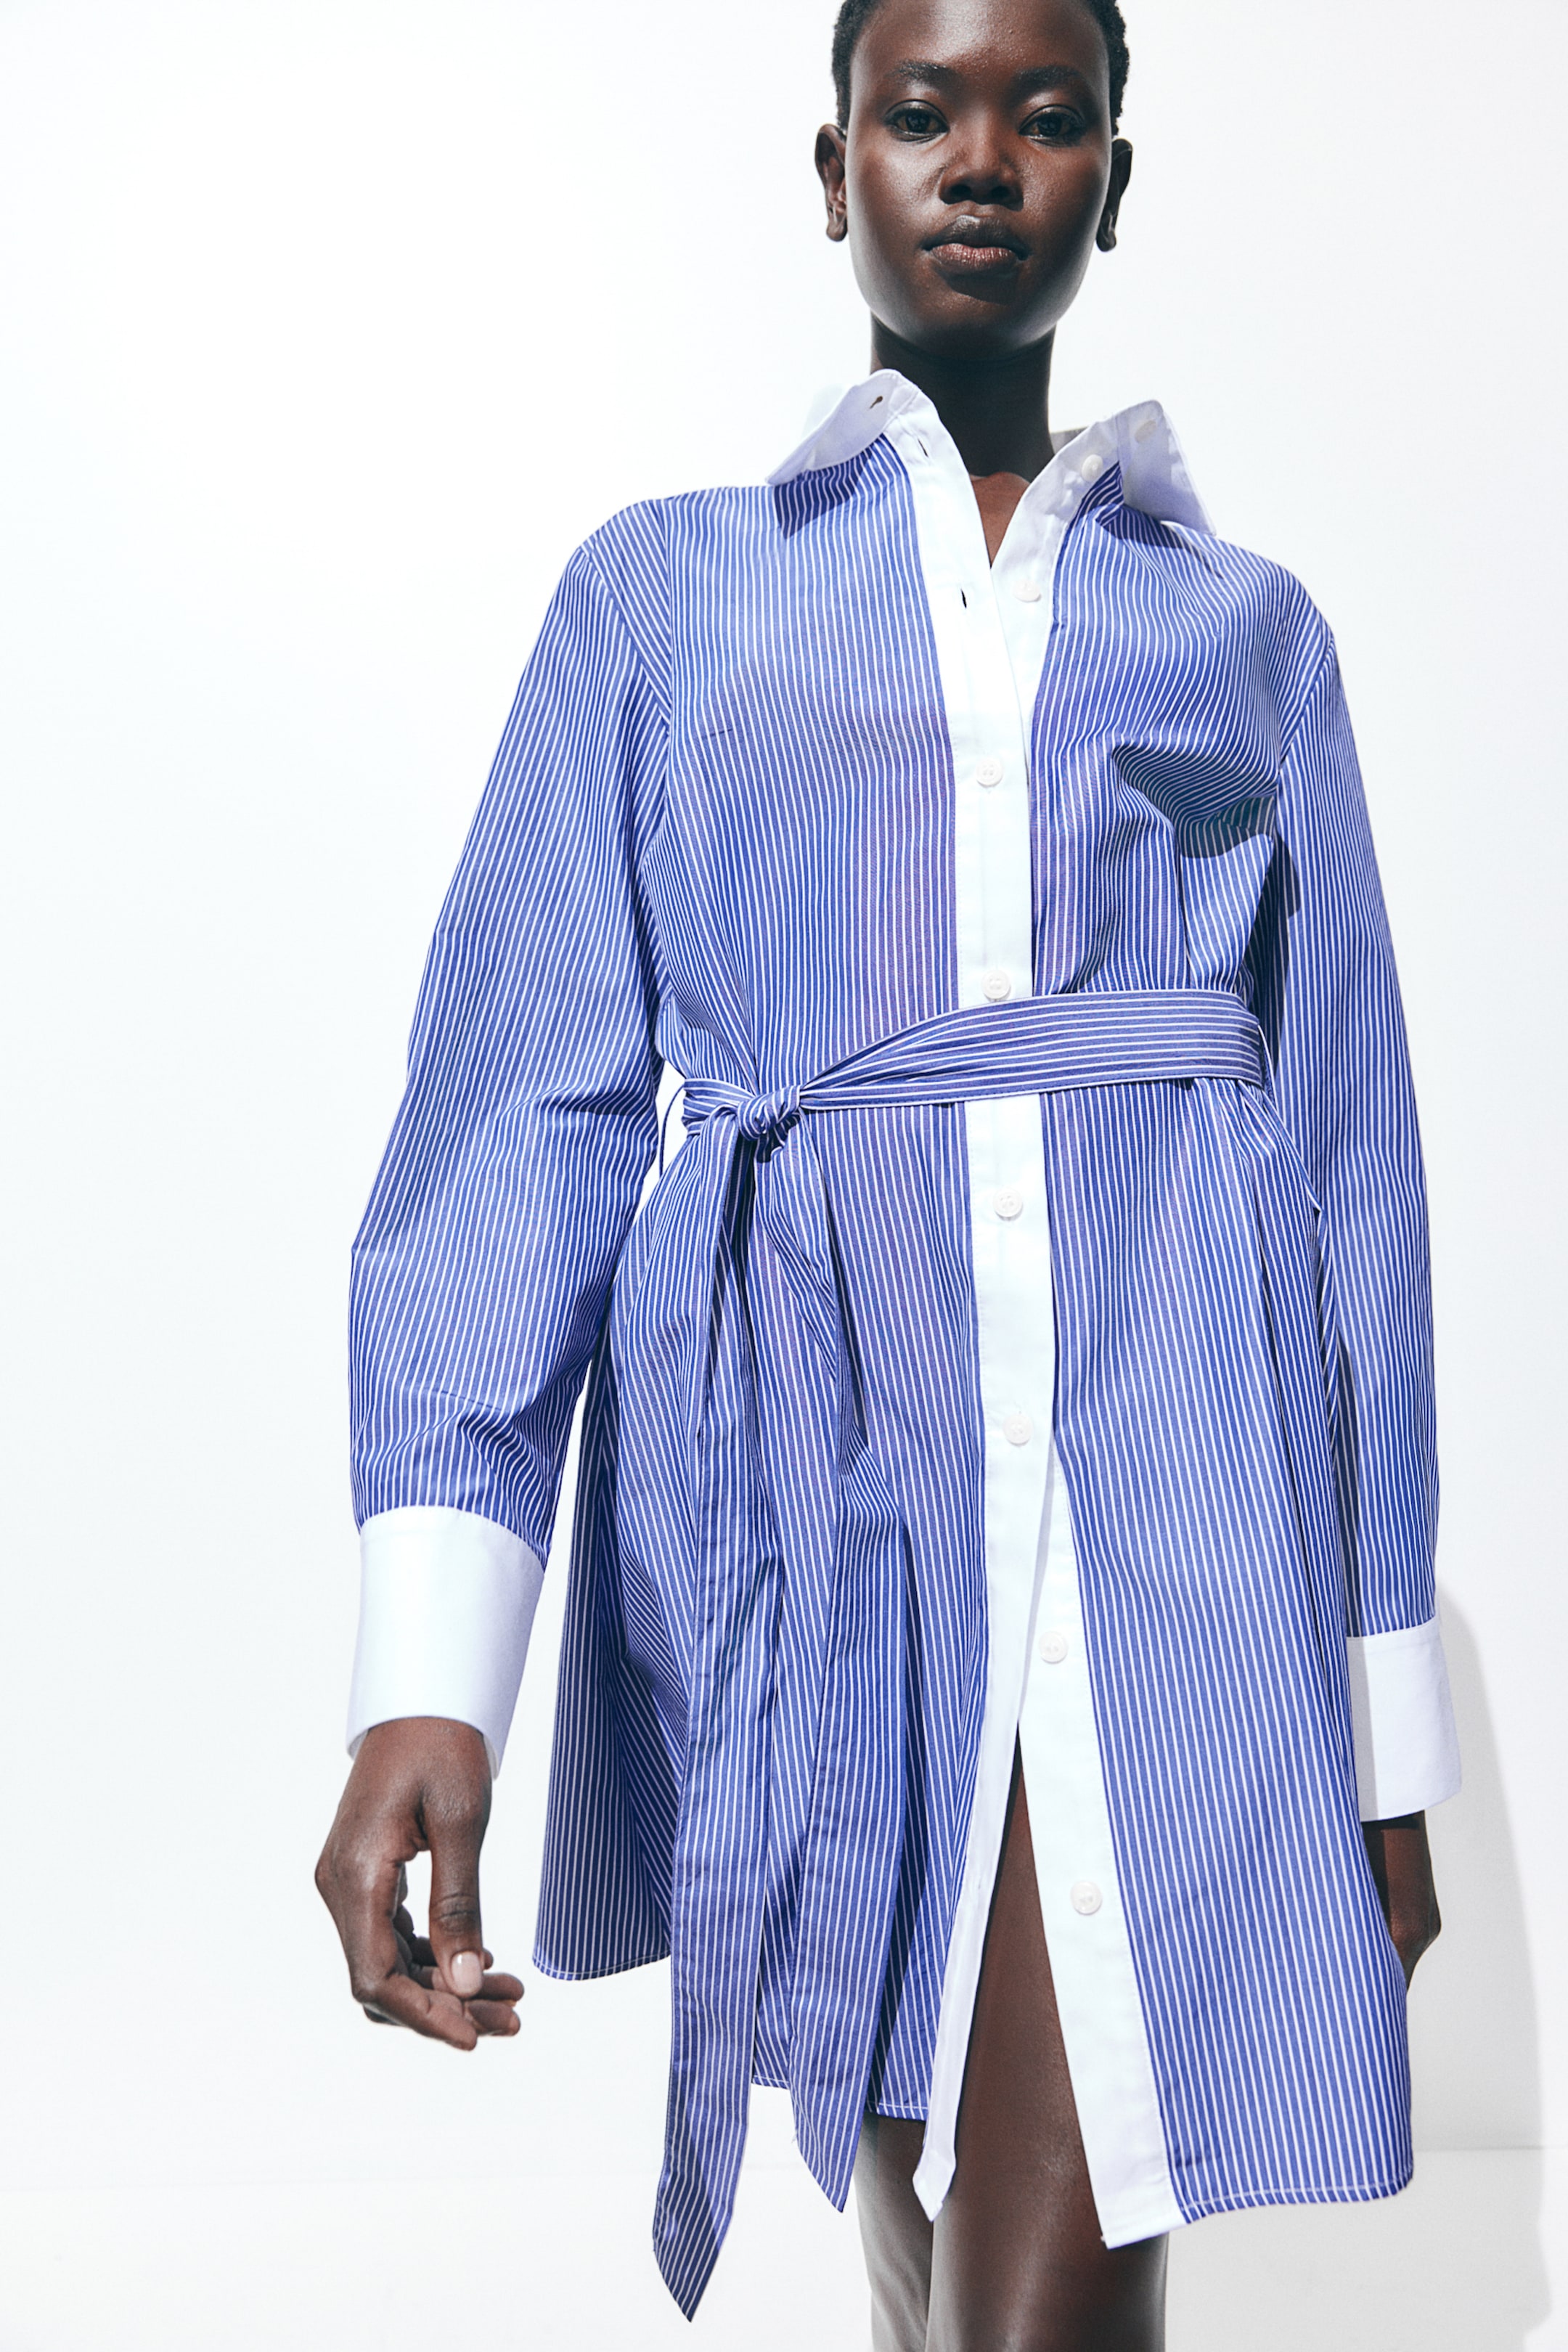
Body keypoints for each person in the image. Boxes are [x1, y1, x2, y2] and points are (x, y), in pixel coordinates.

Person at [315, 1, 1460, 2343]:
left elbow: (1353, 1180)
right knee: (925, 2239)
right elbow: (519, 1117)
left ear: (1115, 179)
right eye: (921, 111)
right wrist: (430, 1679)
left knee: (1041, 2291)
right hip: (798, 1534)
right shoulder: (665, 599)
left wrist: (1378, 1731)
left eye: (1050, 118)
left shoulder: (1244, 636)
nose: (981, 162)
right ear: (830, 165)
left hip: (1168, 1538)